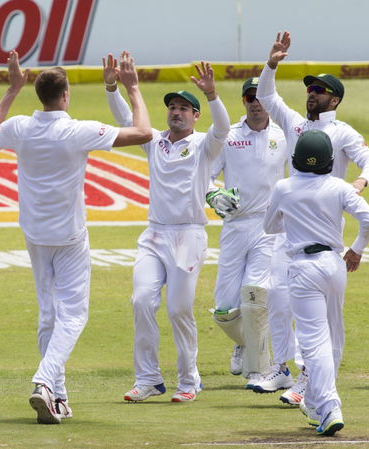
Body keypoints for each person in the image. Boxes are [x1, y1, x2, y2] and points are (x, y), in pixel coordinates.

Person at [0, 50, 152, 424]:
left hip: (35, 234)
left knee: (48, 314)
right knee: (73, 315)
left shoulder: (21, 127)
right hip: (69, 236)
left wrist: (11, 90)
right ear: (66, 94)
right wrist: (133, 89)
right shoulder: (76, 130)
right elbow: (143, 133)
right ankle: (44, 381)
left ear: (39, 95)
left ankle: (58, 398)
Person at [255, 31, 369, 404]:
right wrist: (271, 64)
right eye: (310, 88)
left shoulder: (342, 132)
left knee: (321, 319)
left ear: (334, 99)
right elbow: (265, 96)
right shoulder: (294, 123)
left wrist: (359, 181)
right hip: (286, 223)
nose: (312, 93)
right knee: (278, 298)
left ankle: (311, 381)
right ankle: (284, 369)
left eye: (320, 90)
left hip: (324, 228)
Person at [103, 60, 231, 402]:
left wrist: (212, 94)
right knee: (142, 301)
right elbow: (125, 122)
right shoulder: (155, 141)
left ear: (195, 116)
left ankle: (189, 380)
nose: (176, 112)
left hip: (189, 235)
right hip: (154, 234)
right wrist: (113, 88)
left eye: (184, 108)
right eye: (172, 107)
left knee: (178, 309)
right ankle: (148, 378)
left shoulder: (206, 144)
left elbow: (224, 127)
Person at [263, 130, 369, 435]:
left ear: (296, 159)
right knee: (333, 335)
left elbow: (270, 225)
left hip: (303, 268)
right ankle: (314, 403)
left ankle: (329, 405)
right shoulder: (339, 186)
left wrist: (295, 214)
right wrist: (357, 249)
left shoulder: (284, 187)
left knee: (314, 341)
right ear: (328, 160)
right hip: (335, 264)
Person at [206, 77, 290, 390]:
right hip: (234, 226)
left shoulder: (283, 135)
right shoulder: (228, 136)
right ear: (243, 101)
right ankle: (244, 342)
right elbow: (204, 175)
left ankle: (259, 369)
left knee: (255, 296)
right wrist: (213, 195)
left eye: (260, 97)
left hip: (269, 228)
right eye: (249, 97)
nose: (255, 103)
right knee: (225, 309)